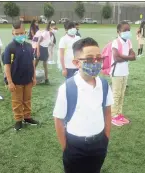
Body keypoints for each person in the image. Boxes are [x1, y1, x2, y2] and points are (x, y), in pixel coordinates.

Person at [53, 37, 114, 173]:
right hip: (74, 146)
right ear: (76, 63)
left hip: (99, 143)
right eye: (90, 59)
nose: (96, 62)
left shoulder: (104, 85)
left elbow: (107, 112)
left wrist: (105, 138)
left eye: (99, 58)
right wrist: (66, 148)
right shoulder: (67, 88)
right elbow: (58, 119)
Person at [4, 21, 39, 131]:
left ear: (25, 32)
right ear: (13, 33)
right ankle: (18, 120)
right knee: (17, 101)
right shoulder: (10, 48)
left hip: (28, 79)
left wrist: (34, 77)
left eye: (21, 33)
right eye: (17, 33)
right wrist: (9, 82)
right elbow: (7, 66)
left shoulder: (29, 46)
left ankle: (27, 117)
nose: (20, 35)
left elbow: (32, 62)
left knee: (27, 99)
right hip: (16, 81)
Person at [110, 21, 136, 126]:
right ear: (118, 32)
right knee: (116, 94)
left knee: (122, 94)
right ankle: (113, 116)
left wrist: (123, 57)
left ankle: (119, 114)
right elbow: (116, 58)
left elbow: (133, 56)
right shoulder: (116, 42)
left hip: (125, 72)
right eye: (125, 30)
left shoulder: (129, 42)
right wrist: (128, 57)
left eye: (128, 30)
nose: (127, 32)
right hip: (116, 72)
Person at [36, 20, 55, 84]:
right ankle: (31, 78)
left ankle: (46, 79)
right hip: (40, 48)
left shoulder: (51, 35)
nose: (54, 28)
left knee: (45, 65)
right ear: (50, 27)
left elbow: (47, 42)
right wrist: (38, 51)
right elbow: (38, 42)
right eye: (53, 27)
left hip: (45, 49)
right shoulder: (45, 33)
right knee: (34, 65)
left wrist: (51, 44)